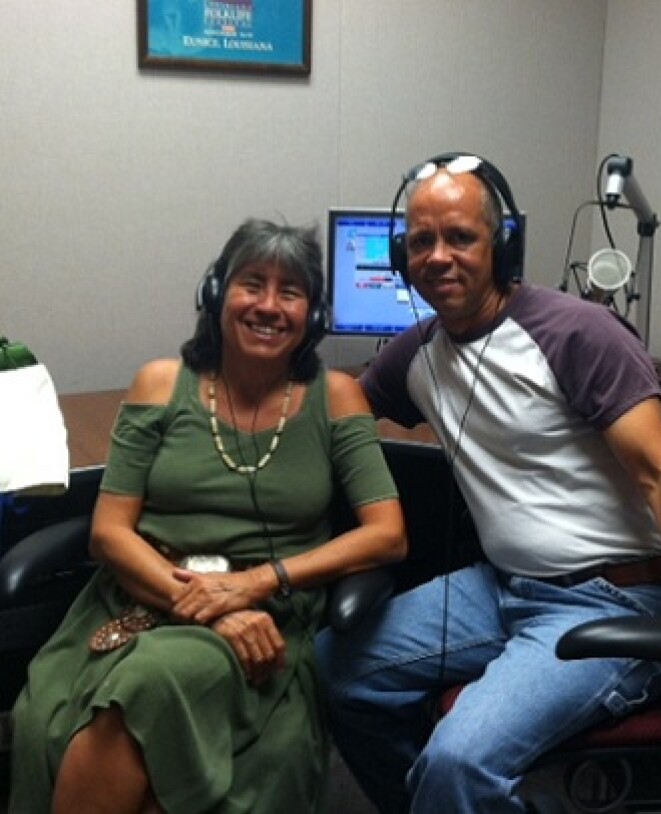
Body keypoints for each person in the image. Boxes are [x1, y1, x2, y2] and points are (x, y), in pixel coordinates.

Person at [315, 154, 661, 814]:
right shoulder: (418, 352)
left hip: (617, 601)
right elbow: (345, 398)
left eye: (460, 237)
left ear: (501, 248)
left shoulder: (578, 332)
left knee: (459, 761)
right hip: (503, 587)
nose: (438, 257)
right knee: (334, 670)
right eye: (421, 241)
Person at [10, 218, 407, 814]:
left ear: (313, 315)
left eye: (290, 292)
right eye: (252, 284)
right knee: (83, 720)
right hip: (140, 597)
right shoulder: (159, 384)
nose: (268, 305)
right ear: (217, 292)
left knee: (143, 689)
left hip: (267, 616)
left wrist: (254, 584)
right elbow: (109, 532)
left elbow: (388, 535)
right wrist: (211, 607)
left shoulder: (337, 397)